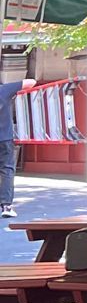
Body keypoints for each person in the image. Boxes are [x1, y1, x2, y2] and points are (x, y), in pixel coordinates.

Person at [0, 69, 25, 218]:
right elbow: (31, 82)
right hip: (4, 138)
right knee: (7, 170)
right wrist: (14, 90)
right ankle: (6, 206)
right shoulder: (4, 90)